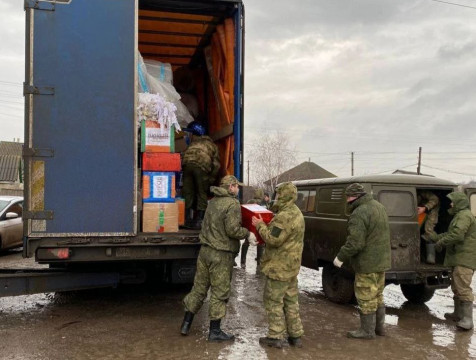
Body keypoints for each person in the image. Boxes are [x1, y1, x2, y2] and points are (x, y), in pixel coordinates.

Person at [180, 175, 258, 341]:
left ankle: (186, 324)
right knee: (219, 292)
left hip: (205, 252)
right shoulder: (232, 203)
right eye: (237, 186)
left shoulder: (213, 202)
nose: (238, 189)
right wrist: (247, 233)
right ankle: (215, 331)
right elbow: (232, 230)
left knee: (199, 289)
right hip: (221, 254)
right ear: (230, 187)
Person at [333, 183, 391, 340]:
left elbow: (355, 243)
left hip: (367, 264)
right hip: (381, 262)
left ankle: (367, 331)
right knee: (378, 295)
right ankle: (380, 329)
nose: (346, 200)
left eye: (347, 196)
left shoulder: (359, 213)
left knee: (366, 297)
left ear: (354, 197)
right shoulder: (379, 207)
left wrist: (340, 257)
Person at [251, 182, 305, 349]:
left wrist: (258, 225)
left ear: (283, 196)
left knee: (273, 300)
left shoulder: (284, 216)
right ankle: (295, 335)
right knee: (291, 301)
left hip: (279, 268)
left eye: (278, 195)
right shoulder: (297, 213)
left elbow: (273, 239)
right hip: (291, 267)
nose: (276, 197)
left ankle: (275, 336)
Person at [430, 192, 476, 331]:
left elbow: (457, 235)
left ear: (459, 203)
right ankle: (458, 314)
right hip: (458, 257)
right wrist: (436, 237)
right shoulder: (460, 216)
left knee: (463, 287)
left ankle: (468, 320)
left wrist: (441, 243)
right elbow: (451, 233)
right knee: (456, 286)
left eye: (452, 202)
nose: (450, 204)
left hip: (464, 258)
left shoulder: (464, 216)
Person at [182, 121, 221, 229]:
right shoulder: (211, 145)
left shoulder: (192, 143)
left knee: (187, 193)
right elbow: (216, 165)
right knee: (201, 193)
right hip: (202, 167)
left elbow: (184, 154)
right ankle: (199, 221)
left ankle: (186, 220)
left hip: (187, 165)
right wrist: (211, 179)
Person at [241, 188, 266, 268]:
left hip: (250, 225)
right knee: (260, 244)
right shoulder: (264, 203)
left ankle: (243, 261)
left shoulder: (249, 202)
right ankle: (259, 262)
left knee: (246, 243)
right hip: (259, 225)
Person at [417, 190, 440, 264]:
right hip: (419, 212)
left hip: (431, 211)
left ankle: (432, 256)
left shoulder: (423, 193)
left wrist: (425, 207)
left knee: (428, 231)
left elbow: (435, 199)